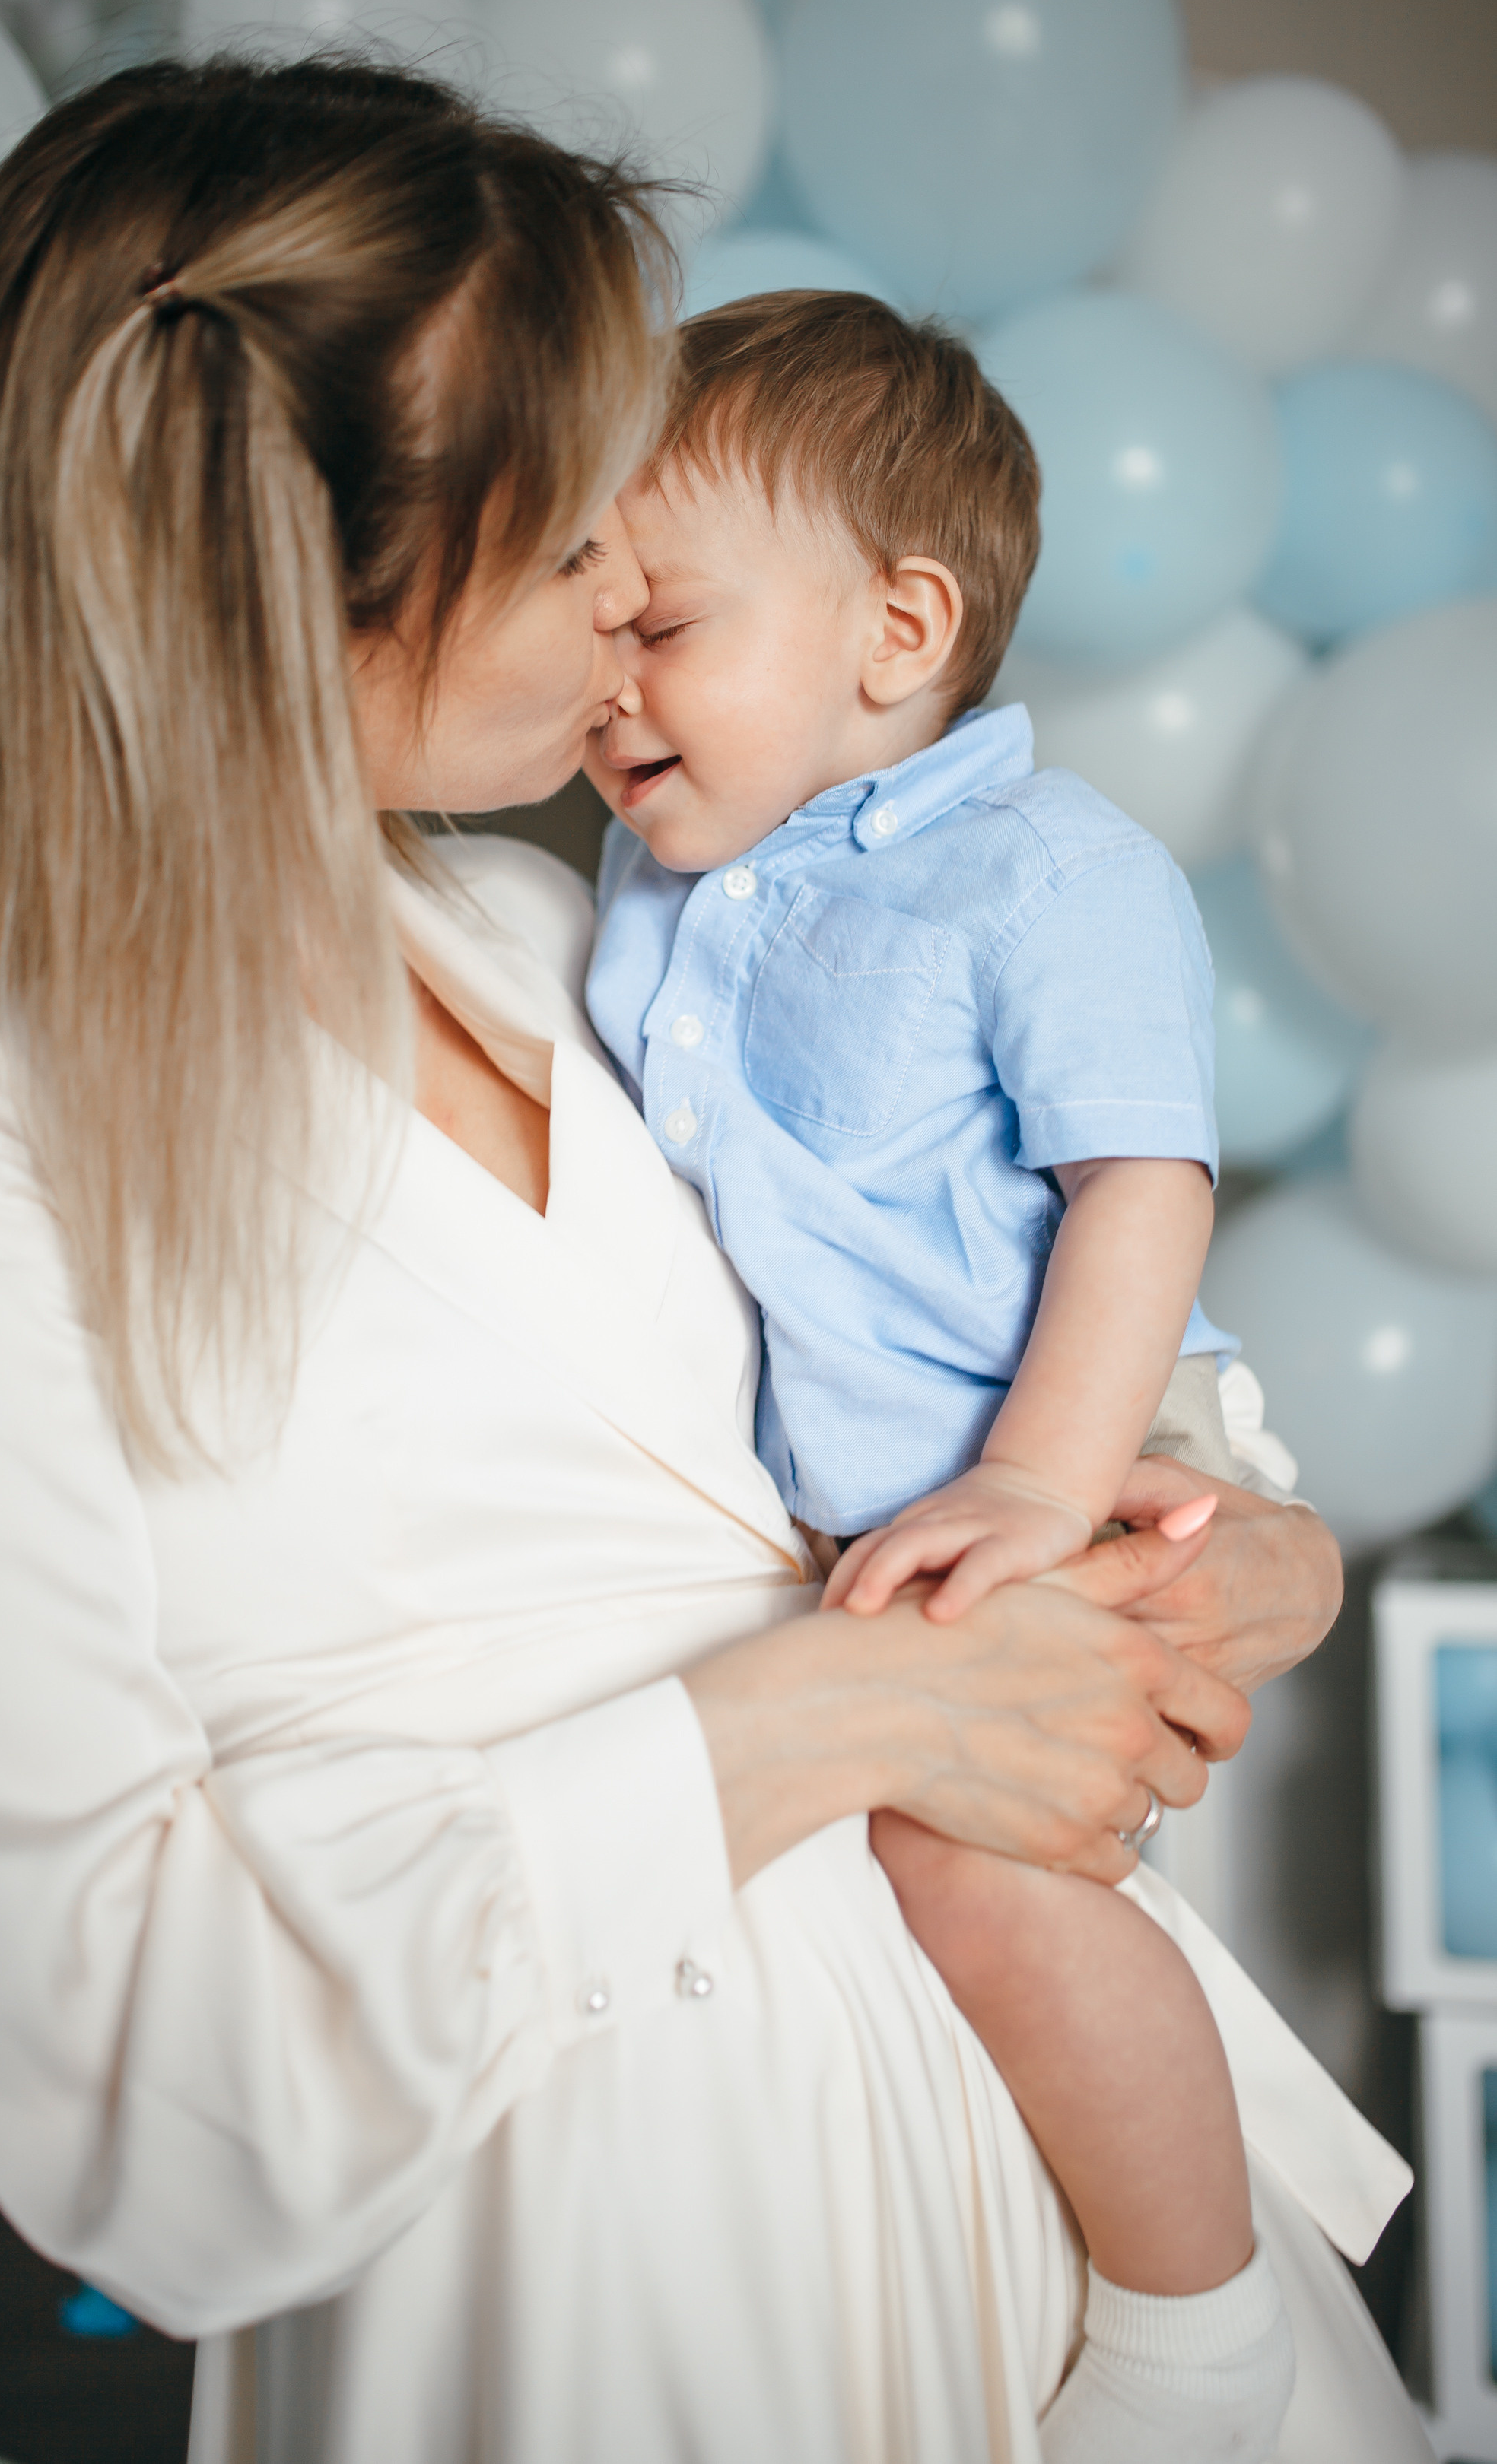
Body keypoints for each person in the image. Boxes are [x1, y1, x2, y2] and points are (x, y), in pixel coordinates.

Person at [0, 59, 1420, 2464]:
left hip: (1043, 2188)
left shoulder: (570, 929)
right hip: (595, 2299)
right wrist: (850, 1716)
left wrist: (1236, 1549)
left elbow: (931, 1328)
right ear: (292, 578)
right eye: (567, 553)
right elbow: (122, 2083)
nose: (628, 598)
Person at [583, 291, 1281, 2458]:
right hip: (906, 1487)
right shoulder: (665, 869)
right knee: (911, 1875)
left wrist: (1046, 1484)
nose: (609, 685)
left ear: (898, 630)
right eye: (585, 622)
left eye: (662, 624)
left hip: (1102, 1425)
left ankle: (1205, 2321)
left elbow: (1140, 1192)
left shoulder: (1046, 869)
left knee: (986, 1865)